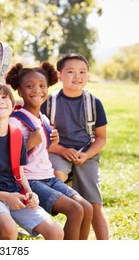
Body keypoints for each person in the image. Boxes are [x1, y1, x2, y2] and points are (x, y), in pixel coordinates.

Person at [7, 62, 93, 240]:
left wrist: (51, 141)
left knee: (87, 207)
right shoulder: (15, 122)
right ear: (20, 91)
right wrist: (29, 144)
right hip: (31, 181)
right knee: (75, 210)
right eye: (29, 86)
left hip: (49, 176)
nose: (36, 90)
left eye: (41, 86)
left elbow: (41, 150)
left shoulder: (44, 119)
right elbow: (8, 158)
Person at [0, 81, 64, 240]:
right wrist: (6, 197)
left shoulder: (16, 135)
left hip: (14, 193)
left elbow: (19, 173)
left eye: (4, 97)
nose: (0, 101)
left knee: (56, 231)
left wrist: (29, 192)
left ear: (12, 105)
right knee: (9, 229)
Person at [41, 53, 109, 240]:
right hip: (57, 150)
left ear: (88, 76)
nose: (77, 76)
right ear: (60, 75)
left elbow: (101, 138)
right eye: (70, 71)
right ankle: (62, 223)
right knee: (57, 178)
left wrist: (86, 155)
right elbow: (41, 138)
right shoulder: (49, 102)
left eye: (82, 72)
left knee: (94, 204)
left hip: (86, 153)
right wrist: (61, 149)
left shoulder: (94, 103)